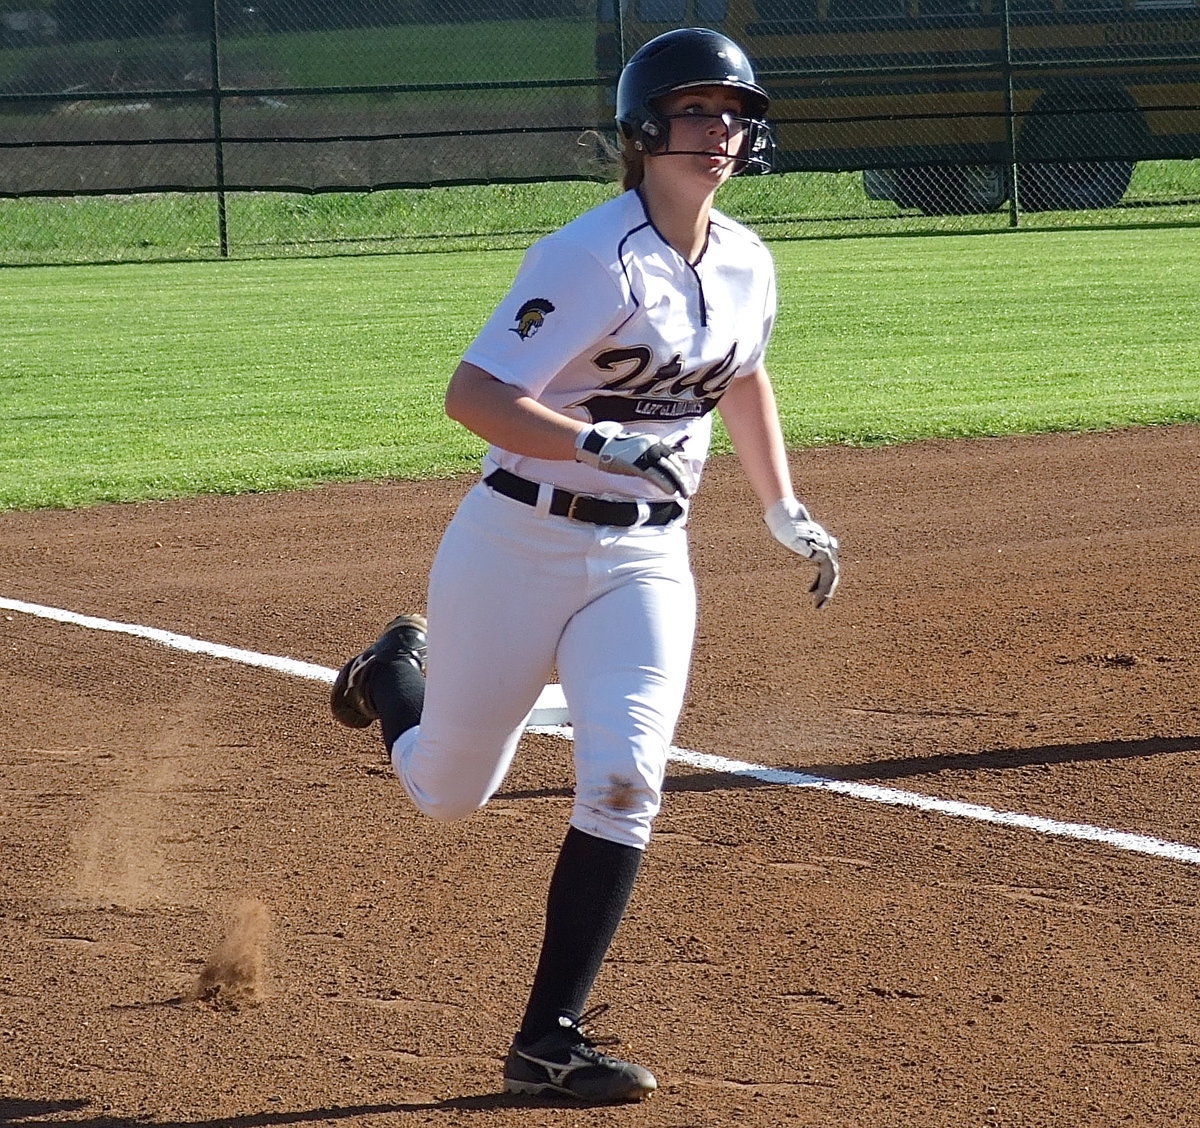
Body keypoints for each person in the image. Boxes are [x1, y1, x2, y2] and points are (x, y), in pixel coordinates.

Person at [329, 26, 839, 1104]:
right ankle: (393, 678)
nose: (723, 133)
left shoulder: (747, 261)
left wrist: (781, 504)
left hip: (649, 563)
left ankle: (546, 1041)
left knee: (626, 779)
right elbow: (472, 395)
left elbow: (741, 377)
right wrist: (596, 440)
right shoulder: (586, 256)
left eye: (737, 114)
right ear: (645, 128)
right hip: (516, 542)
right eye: (698, 112)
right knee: (449, 793)